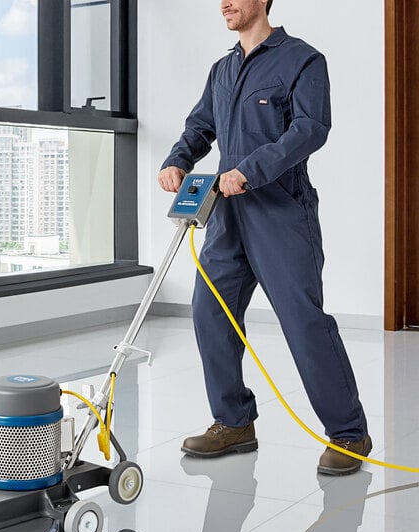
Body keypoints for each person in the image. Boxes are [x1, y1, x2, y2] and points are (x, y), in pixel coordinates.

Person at [158, 0, 372, 476]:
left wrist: (248, 172)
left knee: (302, 320)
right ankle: (233, 422)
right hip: (226, 217)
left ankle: (349, 432)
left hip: (281, 214)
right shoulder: (223, 68)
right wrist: (178, 159)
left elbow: (310, 130)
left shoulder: (302, 59)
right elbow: (201, 126)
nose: (224, 4)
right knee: (209, 312)